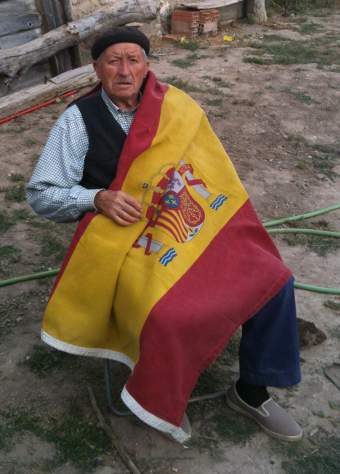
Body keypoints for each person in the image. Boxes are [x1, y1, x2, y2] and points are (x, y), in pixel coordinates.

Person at [27, 27, 303, 444]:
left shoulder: (174, 106)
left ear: (147, 65)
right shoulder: (78, 121)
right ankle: (160, 396)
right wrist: (96, 197)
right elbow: (41, 194)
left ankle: (252, 391)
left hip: (188, 221)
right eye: (113, 61)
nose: (124, 70)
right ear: (96, 68)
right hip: (125, 241)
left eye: (133, 59)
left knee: (273, 278)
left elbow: (209, 167)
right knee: (169, 311)